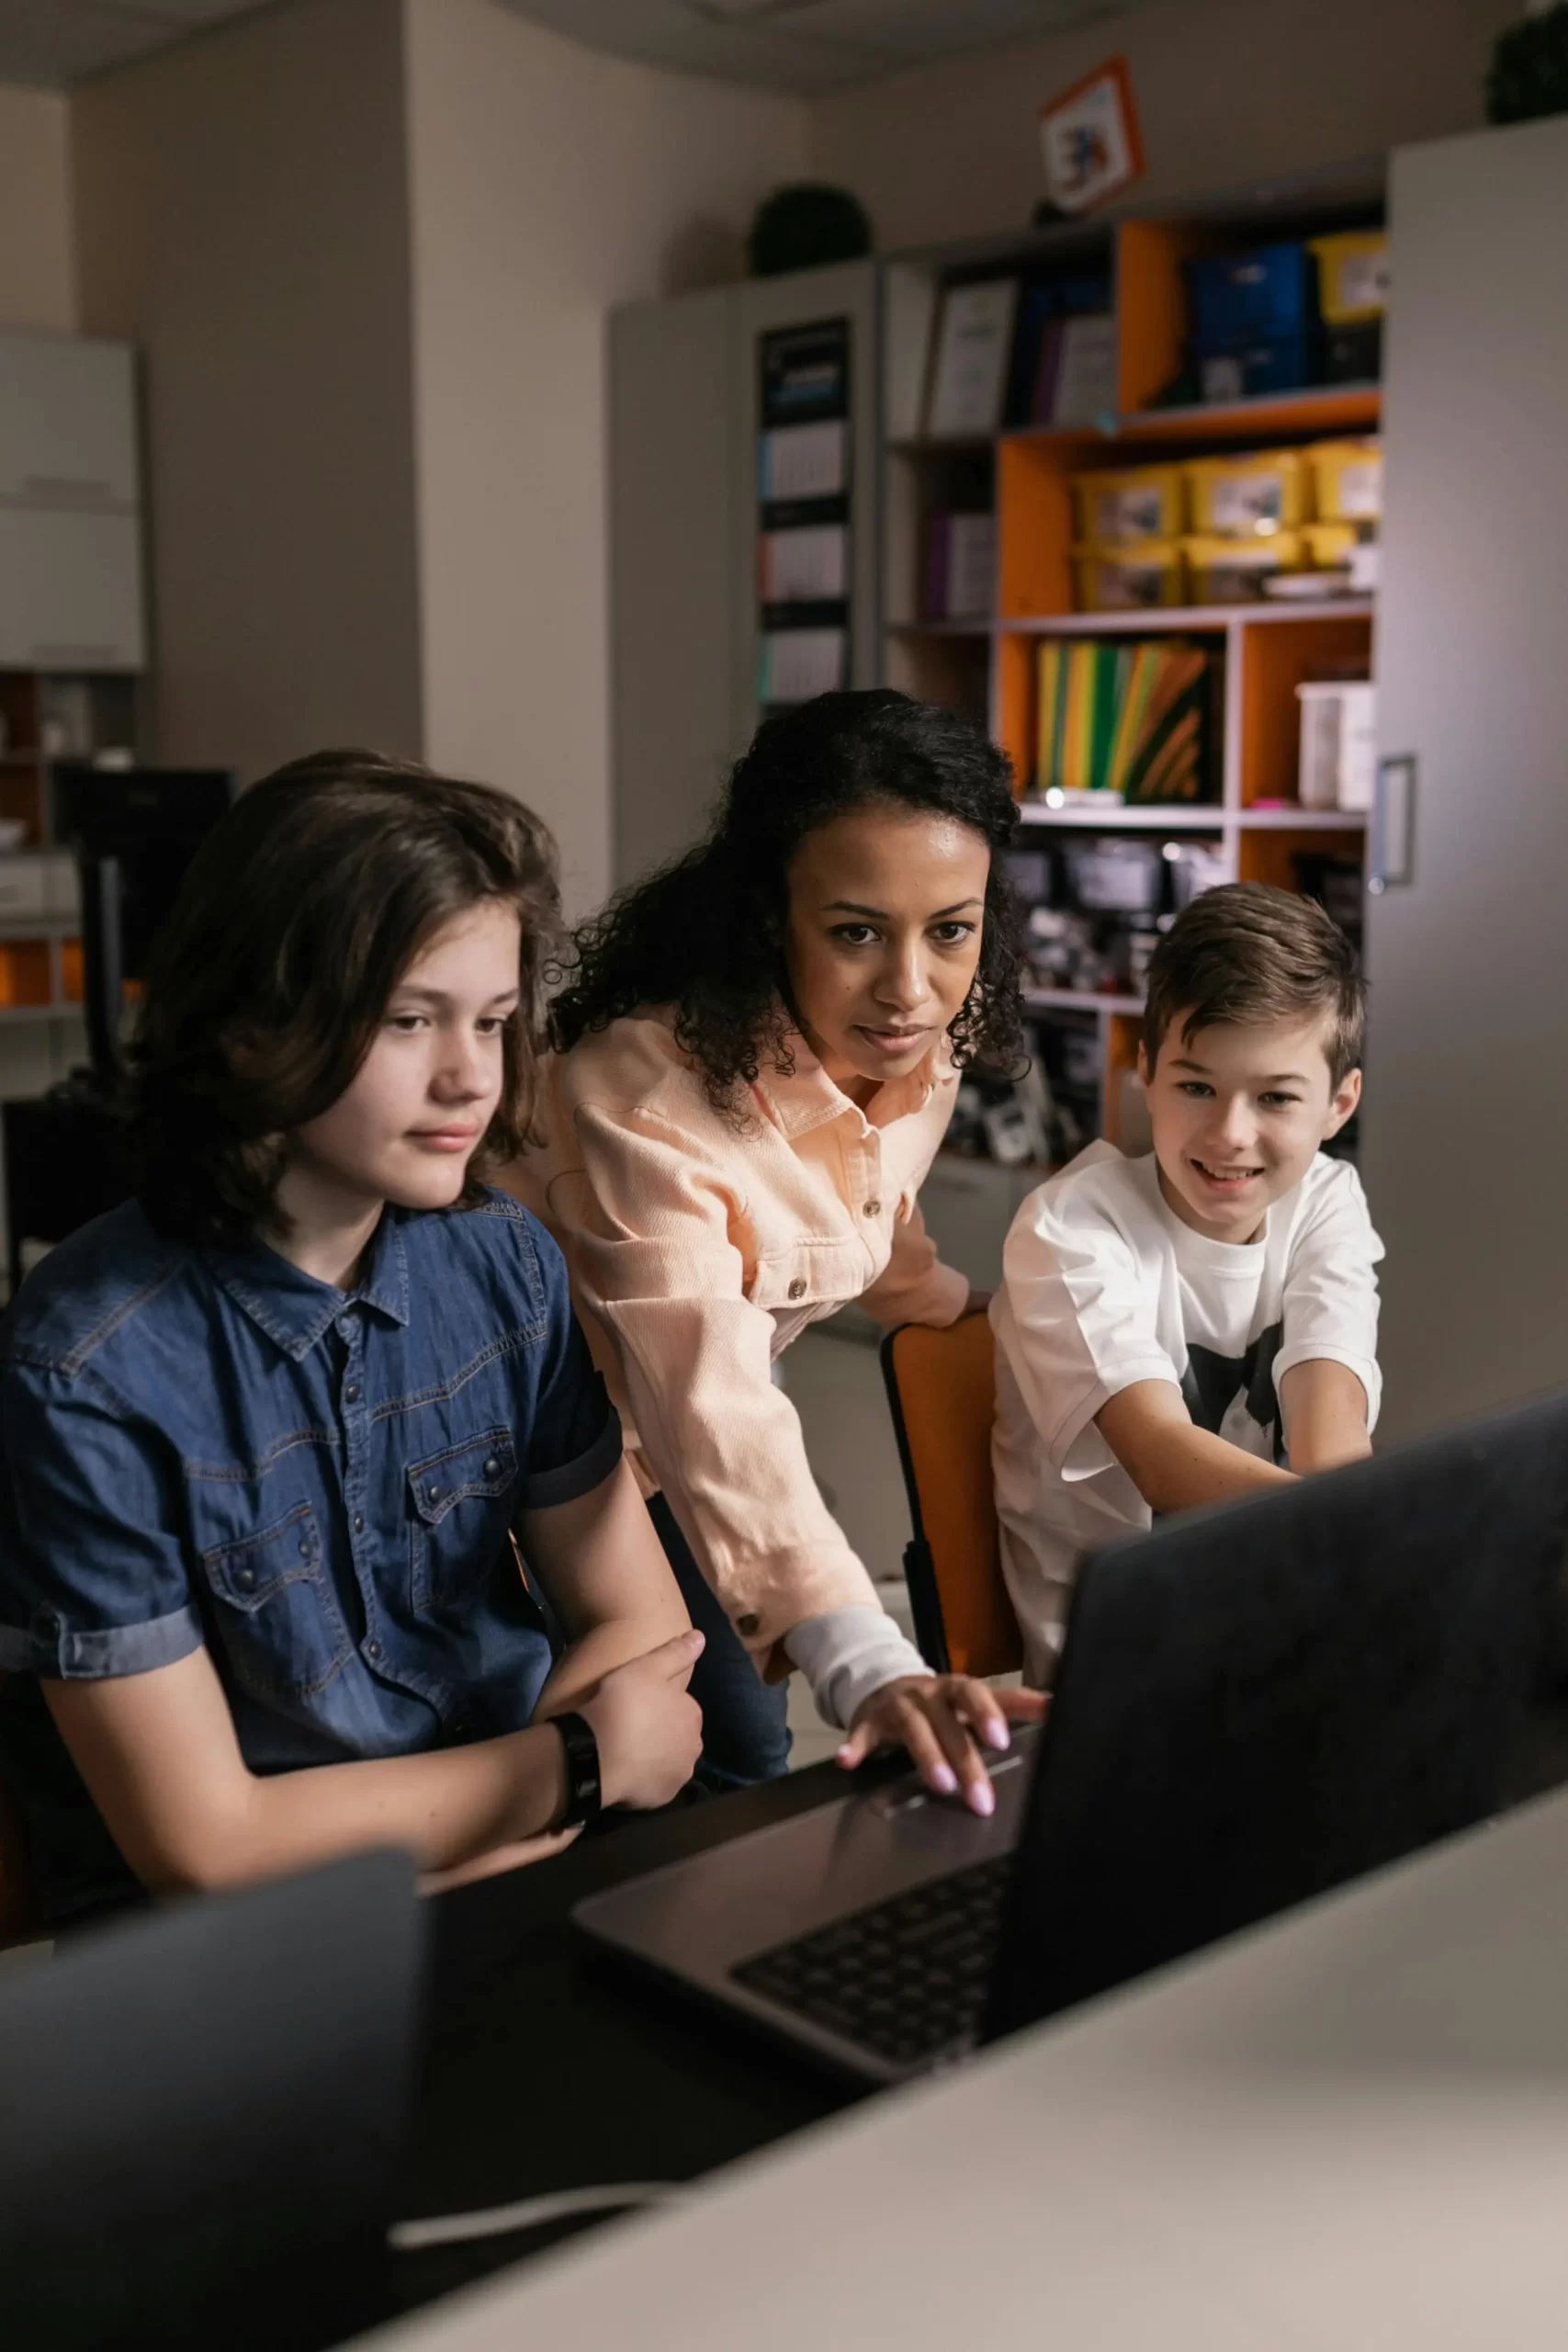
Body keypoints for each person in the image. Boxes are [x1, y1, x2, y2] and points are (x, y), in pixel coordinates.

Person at [0, 752, 704, 1929]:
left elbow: (641, 1620)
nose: (469, 1075)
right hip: (239, 1970)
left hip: (517, 1884)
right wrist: (574, 1767)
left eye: (490, 1020)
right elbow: (210, 1845)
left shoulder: (504, 1259)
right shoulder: (83, 1369)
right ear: (248, 1024)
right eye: (407, 1019)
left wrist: (528, 1828)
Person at [506, 690, 1045, 1814]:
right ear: (768, 915)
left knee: (734, 1742)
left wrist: (960, 1307)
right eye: (856, 931)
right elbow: (707, 1390)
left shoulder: (917, 1048)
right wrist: (866, 1657)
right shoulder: (647, 1096)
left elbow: (872, 1212)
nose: (910, 989)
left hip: (662, 1432)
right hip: (542, 1450)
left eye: (951, 928)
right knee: (735, 1752)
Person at [991, 880, 1382, 1684]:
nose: (1228, 1135)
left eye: (1275, 1097)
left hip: (1267, 1622)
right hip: (1115, 1668)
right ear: (1145, 1070)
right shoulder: (1067, 1227)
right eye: (1196, 1086)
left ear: (1338, 1104)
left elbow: (1330, 1440)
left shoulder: (1325, 1200)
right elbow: (1162, 1459)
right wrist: (1364, 1544)